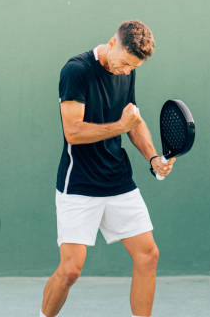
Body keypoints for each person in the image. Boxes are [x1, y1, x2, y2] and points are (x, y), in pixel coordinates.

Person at [40, 20, 176, 317]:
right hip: (79, 184)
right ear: (112, 44)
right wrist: (120, 126)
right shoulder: (76, 71)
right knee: (70, 270)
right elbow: (73, 131)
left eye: (133, 67)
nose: (127, 71)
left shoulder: (127, 71)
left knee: (148, 255)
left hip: (118, 182)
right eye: (126, 63)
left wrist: (153, 159)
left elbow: (133, 121)